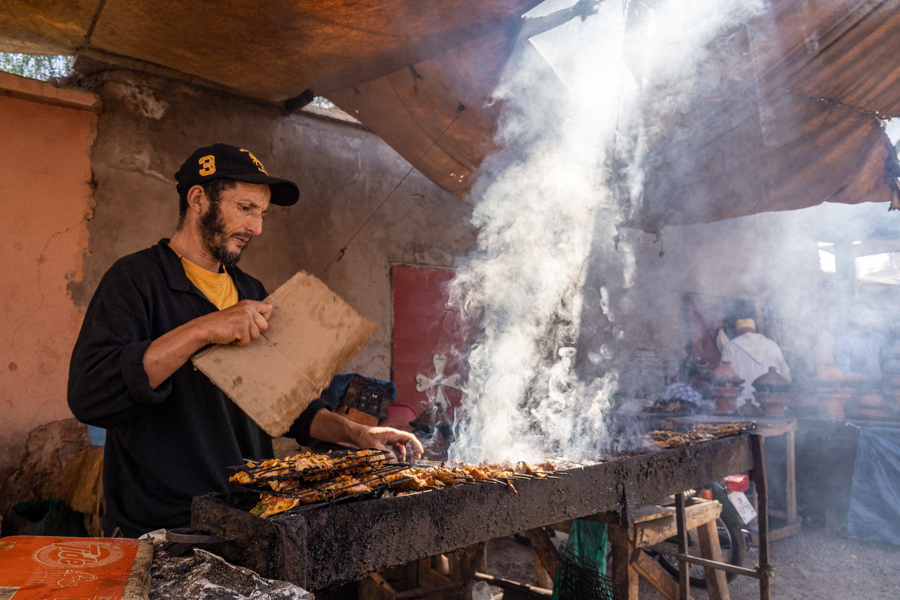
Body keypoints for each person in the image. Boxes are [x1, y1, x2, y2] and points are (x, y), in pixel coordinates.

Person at [68, 144, 422, 537]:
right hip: (165, 528)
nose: (256, 228)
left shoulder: (251, 291)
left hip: (250, 519)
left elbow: (290, 408)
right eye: (245, 208)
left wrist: (358, 434)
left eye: (262, 214)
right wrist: (203, 329)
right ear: (198, 199)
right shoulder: (134, 280)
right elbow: (90, 394)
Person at [720, 318, 791, 407]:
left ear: (737, 332)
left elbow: (723, 376)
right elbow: (786, 375)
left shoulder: (730, 346)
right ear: (755, 331)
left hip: (742, 404)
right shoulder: (772, 345)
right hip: (771, 404)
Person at [832, 302, 885, 384]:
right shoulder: (844, 342)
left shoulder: (880, 339)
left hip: (881, 393)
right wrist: (871, 377)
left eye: (873, 317)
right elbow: (843, 374)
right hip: (855, 394)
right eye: (866, 317)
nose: (872, 321)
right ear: (852, 318)